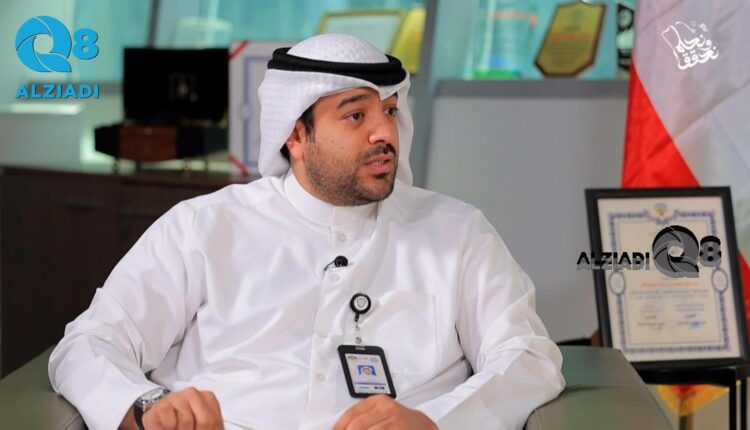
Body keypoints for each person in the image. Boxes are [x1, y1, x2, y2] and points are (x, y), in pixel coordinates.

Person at [48, 34, 564, 430]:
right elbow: (90, 342)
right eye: (356, 115)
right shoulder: (203, 227)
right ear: (295, 135)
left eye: (388, 111)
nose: (384, 132)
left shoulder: (457, 232)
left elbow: (529, 356)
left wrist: (435, 421)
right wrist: (145, 407)